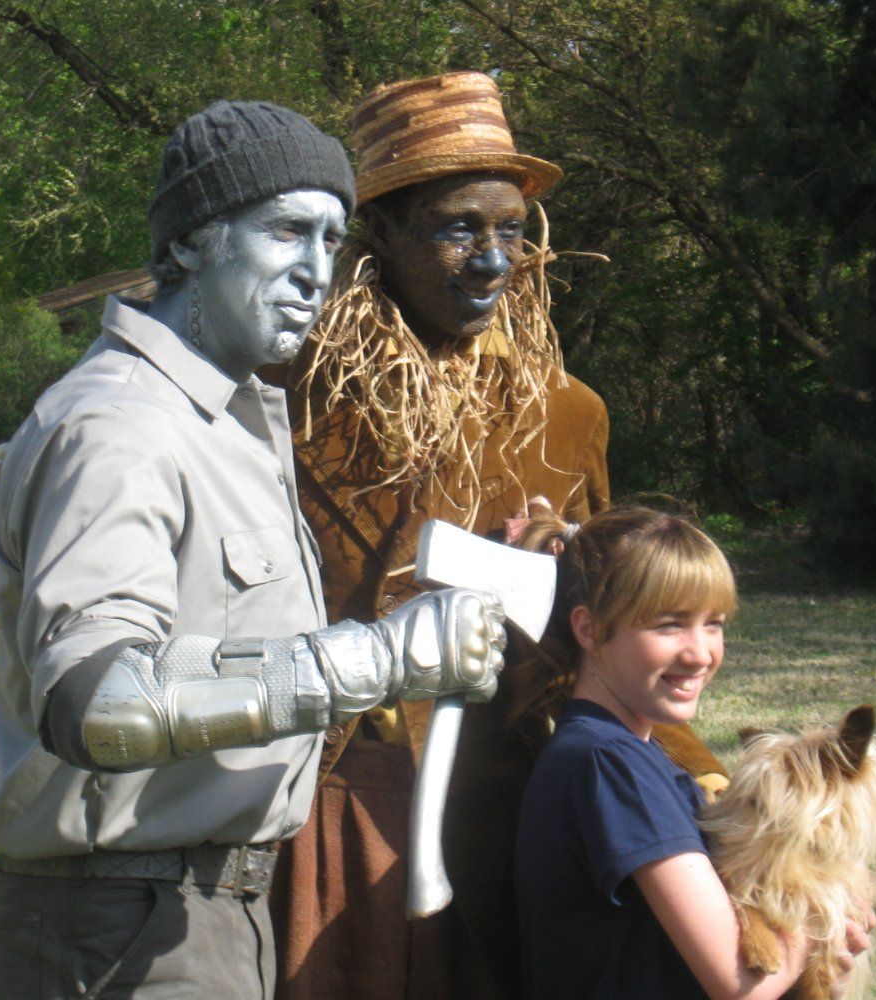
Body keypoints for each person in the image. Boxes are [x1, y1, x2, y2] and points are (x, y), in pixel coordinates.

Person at [0, 99, 506, 999]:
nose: (314, 271)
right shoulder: (120, 426)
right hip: (118, 927)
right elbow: (100, 702)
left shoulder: (229, 420)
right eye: (285, 231)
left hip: (210, 911)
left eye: (330, 240)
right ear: (187, 243)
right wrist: (373, 661)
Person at [270, 71, 729, 998]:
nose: (491, 262)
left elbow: (604, 628)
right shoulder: (285, 397)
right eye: (456, 229)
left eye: (510, 231)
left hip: (496, 803)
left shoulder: (563, 414)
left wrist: (699, 775)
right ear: (379, 233)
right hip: (330, 797)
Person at [514, 506, 872, 999]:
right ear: (590, 630)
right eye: (670, 625)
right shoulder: (610, 765)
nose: (700, 653)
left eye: (714, 624)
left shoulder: (641, 758)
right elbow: (743, 985)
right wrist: (829, 906)